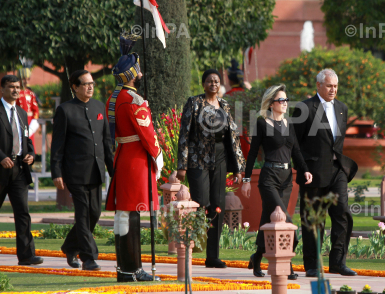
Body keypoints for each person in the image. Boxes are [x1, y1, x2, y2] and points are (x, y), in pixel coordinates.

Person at [105, 34, 163, 282]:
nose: (141, 74)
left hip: (122, 158)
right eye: (138, 71)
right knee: (134, 214)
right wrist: (158, 156)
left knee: (124, 214)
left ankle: (124, 269)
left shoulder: (113, 98)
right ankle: (134, 269)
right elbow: (148, 136)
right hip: (137, 161)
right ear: (132, 75)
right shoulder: (134, 100)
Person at [291, 68, 358, 277]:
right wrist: (302, 168)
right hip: (313, 172)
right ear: (318, 85)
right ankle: (312, 264)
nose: (333, 89)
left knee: (343, 214)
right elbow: (294, 143)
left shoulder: (342, 108)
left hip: (338, 170)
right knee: (313, 218)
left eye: (336, 86)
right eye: (329, 85)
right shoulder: (304, 108)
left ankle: (338, 262)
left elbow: (337, 142)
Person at [242, 84, 313, 279]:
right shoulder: (262, 123)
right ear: (271, 103)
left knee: (269, 219)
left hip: (287, 179)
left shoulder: (289, 124)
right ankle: (287, 263)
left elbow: (296, 152)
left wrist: (305, 170)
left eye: (286, 100)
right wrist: (247, 179)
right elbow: (253, 153)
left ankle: (256, 257)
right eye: (281, 100)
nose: (285, 103)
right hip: (269, 179)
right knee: (286, 221)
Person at [177, 69, 245, 268]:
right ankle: (191, 245)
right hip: (198, 160)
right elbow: (184, 134)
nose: (213, 84)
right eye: (209, 81)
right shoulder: (194, 103)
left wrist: (238, 167)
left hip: (221, 159)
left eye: (216, 81)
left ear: (220, 84)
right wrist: (182, 165)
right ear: (203, 84)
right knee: (202, 202)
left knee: (218, 204)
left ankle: (212, 256)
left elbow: (233, 136)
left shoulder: (224, 105)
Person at [51, 69, 114, 271]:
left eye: (92, 84)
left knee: (95, 213)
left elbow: (106, 142)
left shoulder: (98, 106)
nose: (90, 87)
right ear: (75, 87)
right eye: (86, 84)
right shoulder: (65, 110)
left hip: (95, 171)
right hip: (75, 173)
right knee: (83, 214)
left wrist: (113, 170)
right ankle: (89, 257)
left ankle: (70, 246)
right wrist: (56, 172)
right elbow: (57, 145)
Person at [0, 75, 42, 266]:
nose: (15, 90)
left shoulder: (22, 113)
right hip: (0, 169)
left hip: (18, 170)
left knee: (23, 213)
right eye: (11, 87)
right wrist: (1, 157)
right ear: (2, 90)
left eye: (17, 87)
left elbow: (27, 139)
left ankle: (26, 255)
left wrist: (31, 154)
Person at [16, 69, 40, 147]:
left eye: (27, 79)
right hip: (19, 120)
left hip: (30, 121)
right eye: (23, 79)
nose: (25, 81)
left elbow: (35, 109)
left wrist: (34, 122)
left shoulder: (31, 93)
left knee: (30, 143)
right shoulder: (16, 93)